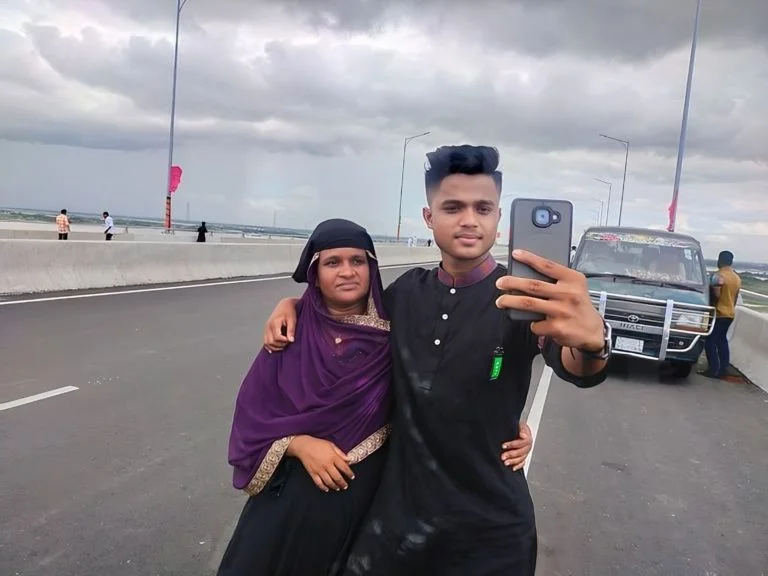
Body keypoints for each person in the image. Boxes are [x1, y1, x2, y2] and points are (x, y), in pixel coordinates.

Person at [264, 145, 610, 575]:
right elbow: (341, 320)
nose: (469, 220)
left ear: (499, 218)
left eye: (483, 208)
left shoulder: (523, 299)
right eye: (453, 207)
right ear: (429, 217)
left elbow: (576, 366)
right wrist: (292, 305)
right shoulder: (405, 293)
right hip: (395, 526)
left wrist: (593, 344)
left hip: (491, 533)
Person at [220, 218, 537, 576]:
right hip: (294, 499)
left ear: (371, 268)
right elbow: (252, 416)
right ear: (315, 274)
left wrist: (502, 422)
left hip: (369, 503)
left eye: (357, 261)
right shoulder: (290, 337)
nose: (347, 272)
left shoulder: (392, 330)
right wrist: (299, 445)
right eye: (332, 263)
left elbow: (443, 382)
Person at [701, 250, 741, 379]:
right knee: (722, 340)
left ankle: (713, 369)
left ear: (719, 260)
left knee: (710, 341)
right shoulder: (736, 278)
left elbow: (716, 295)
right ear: (731, 262)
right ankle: (724, 368)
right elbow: (735, 298)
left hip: (718, 313)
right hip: (730, 313)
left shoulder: (718, 276)